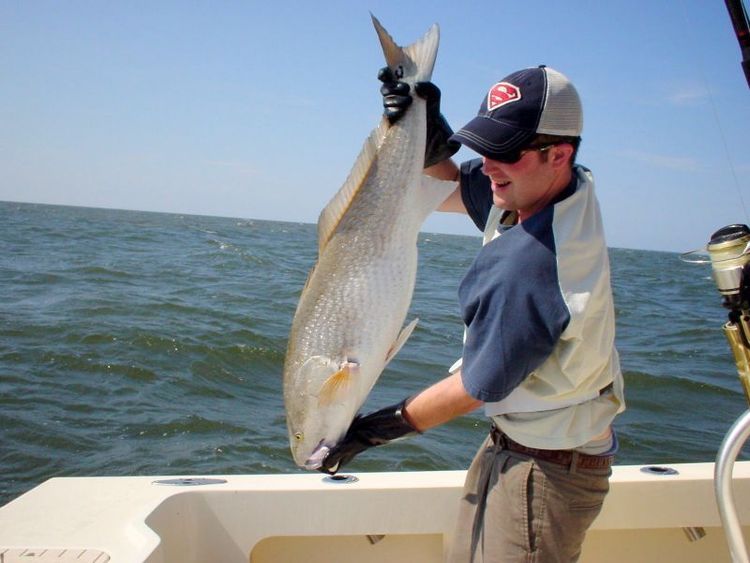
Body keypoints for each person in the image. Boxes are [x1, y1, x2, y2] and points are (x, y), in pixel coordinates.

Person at [320, 64, 626, 563]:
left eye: (505, 152)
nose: (487, 165)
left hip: (546, 472)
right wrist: (423, 130)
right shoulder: (562, 191)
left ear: (560, 154)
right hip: (526, 443)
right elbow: (450, 188)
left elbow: (475, 387)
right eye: (485, 146)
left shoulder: (533, 265)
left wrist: (368, 431)